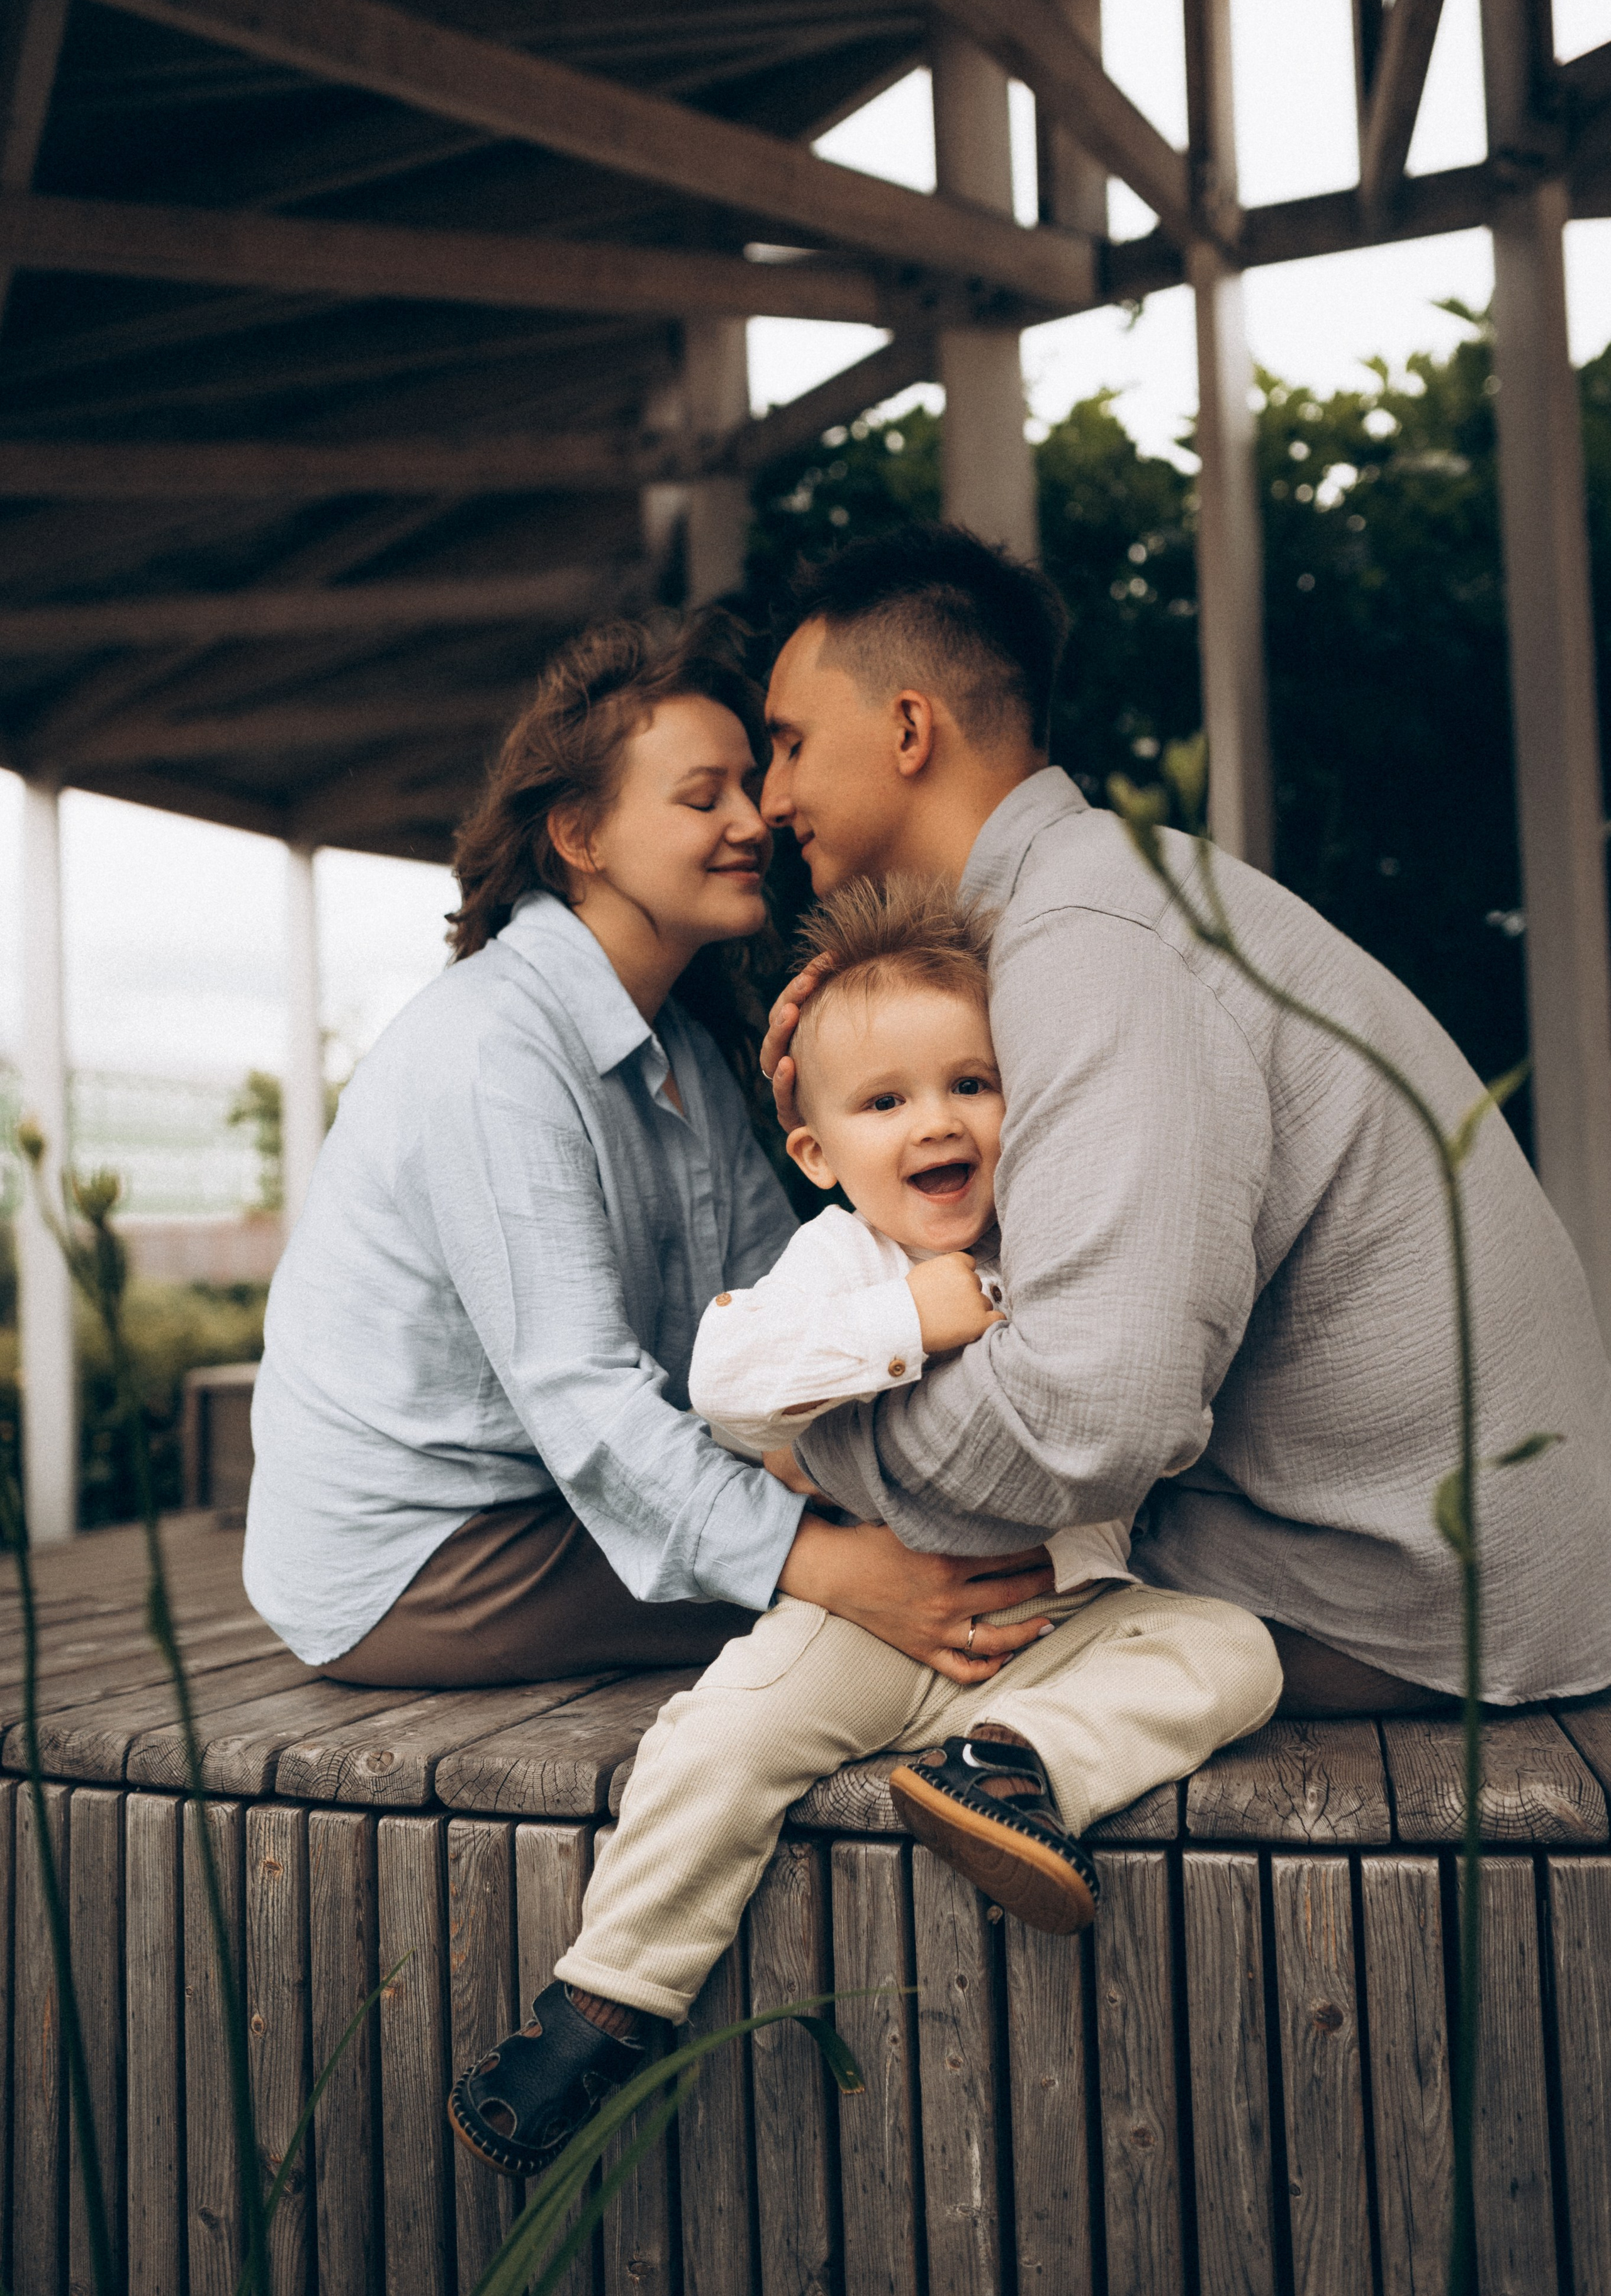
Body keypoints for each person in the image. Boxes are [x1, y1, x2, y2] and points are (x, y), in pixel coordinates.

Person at [448, 875, 1281, 2180]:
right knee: (718, 1741)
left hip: (1052, 1627)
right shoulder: (843, 1262)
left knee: (1234, 1650)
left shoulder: (1064, 1246)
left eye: (970, 1084)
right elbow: (724, 1381)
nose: (934, 1122)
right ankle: (605, 1999)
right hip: (866, 1619)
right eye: (885, 1102)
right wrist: (913, 1322)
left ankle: (1009, 1769)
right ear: (821, 1152)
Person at [757, 521, 1611, 1714]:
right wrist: (866, 1037)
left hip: (1407, 1605)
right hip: (1426, 1558)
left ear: (908, 730)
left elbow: (1090, 1416)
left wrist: (813, 1437)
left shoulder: (1084, 946)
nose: (770, 798)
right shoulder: (1092, 903)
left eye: (790, 743)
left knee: (815, 1674)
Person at [244, 616, 1056, 1691]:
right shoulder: (493, 1050)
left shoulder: (675, 1043)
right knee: (913, 1606)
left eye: (751, 784)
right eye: (702, 794)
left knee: (951, 1553)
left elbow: (785, 1307)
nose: (756, 818)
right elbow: (587, 1404)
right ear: (581, 837)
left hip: (557, 1505)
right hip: (430, 1556)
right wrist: (836, 1566)